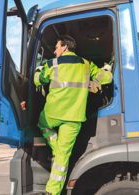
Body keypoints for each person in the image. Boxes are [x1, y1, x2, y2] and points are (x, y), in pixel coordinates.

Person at [34, 35, 113, 195]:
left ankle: (55, 147)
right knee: (63, 157)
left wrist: (38, 70)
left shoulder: (52, 64)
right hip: (74, 117)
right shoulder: (86, 64)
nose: (55, 51)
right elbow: (106, 79)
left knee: (42, 124)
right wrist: (107, 70)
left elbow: (38, 81)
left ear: (64, 47)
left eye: (56, 47)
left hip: (53, 114)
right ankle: (52, 192)